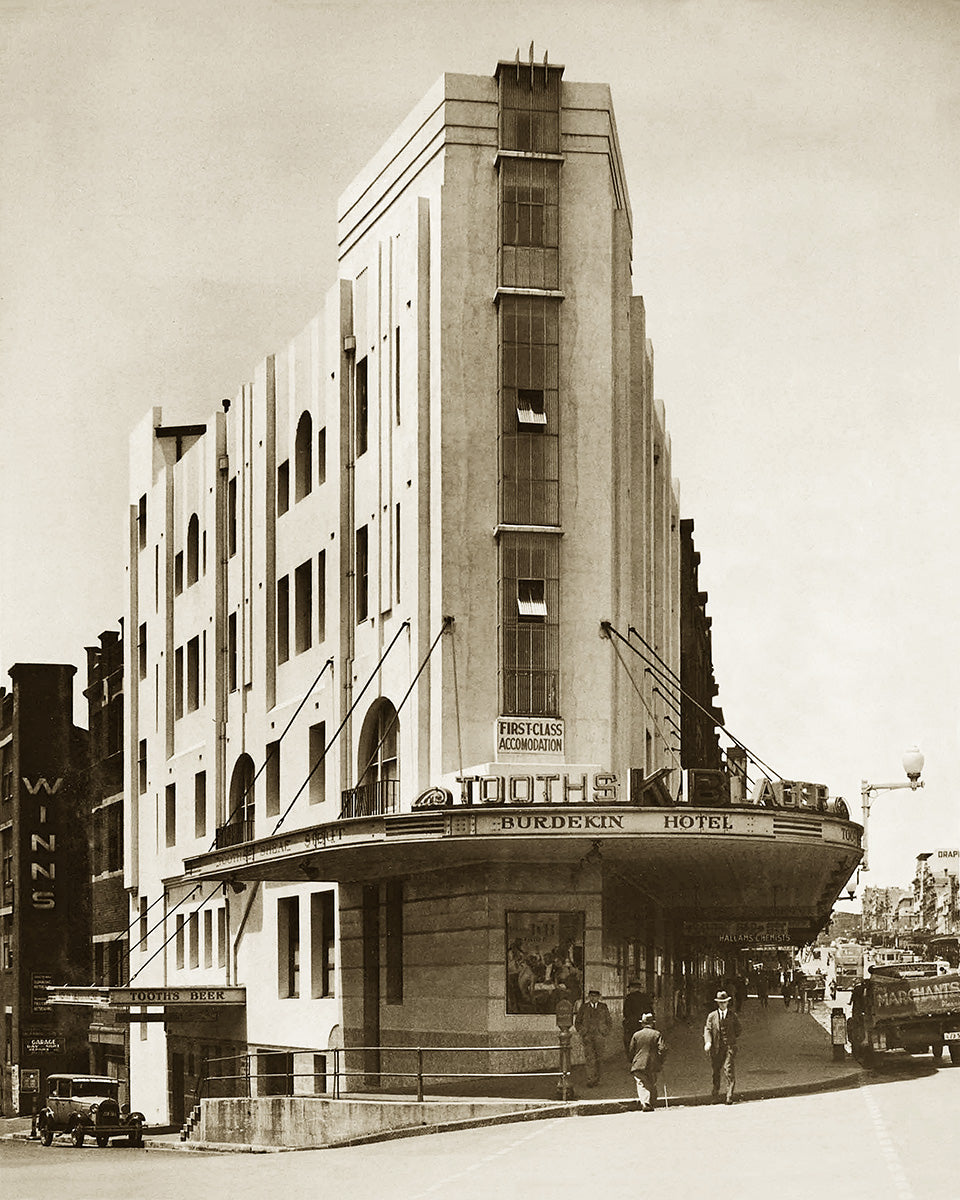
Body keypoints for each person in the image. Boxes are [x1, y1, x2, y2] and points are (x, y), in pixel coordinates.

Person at [703, 989, 741, 1104]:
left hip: (729, 1047)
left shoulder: (732, 1015)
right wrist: (708, 1042)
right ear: (717, 1003)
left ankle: (729, 1096)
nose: (722, 1004)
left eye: (724, 1002)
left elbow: (738, 1029)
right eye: (720, 1002)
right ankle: (715, 1094)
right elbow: (707, 1029)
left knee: (728, 1070)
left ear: (728, 1003)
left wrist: (731, 1039)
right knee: (716, 1071)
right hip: (716, 1048)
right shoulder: (712, 1016)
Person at [629, 1012, 667, 1111]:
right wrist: (660, 1060)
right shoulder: (657, 1034)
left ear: (642, 1024)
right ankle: (651, 1101)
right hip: (652, 1063)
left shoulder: (636, 1035)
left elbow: (631, 1050)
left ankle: (646, 1103)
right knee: (651, 1081)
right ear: (652, 1023)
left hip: (638, 1063)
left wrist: (633, 1060)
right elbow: (662, 1049)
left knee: (641, 1083)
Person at [575, 987, 612, 1086]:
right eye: (591, 996)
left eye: (596, 996)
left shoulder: (603, 1007)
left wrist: (605, 1031)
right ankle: (590, 1079)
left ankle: (598, 1079)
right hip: (587, 1036)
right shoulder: (584, 1007)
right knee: (589, 1058)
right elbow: (577, 1022)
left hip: (600, 1036)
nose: (593, 998)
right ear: (589, 997)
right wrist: (582, 1031)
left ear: (599, 997)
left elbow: (609, 1020)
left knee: (599, 1058)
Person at [622, 979, 651, 1051]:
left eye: (630, 988)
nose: (629, 990)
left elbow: (626, 1012)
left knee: (630, 1041)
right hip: (644, 1023)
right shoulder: (645, 997)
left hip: (632, 1024)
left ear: (634, 988)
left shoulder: (629, 998)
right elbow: (650, 1011)